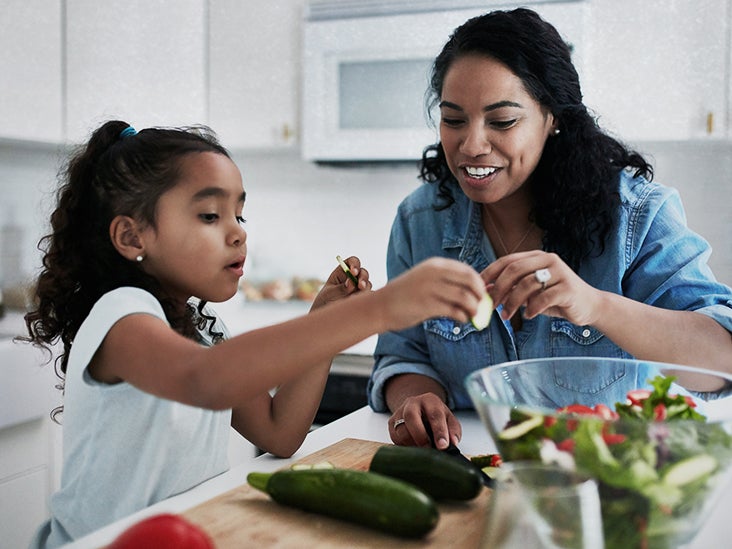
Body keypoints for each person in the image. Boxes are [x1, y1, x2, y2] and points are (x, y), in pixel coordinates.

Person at [23, 120, 489, 547]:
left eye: (239, 216)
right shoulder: (122, 314)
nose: (238, 234)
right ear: (131, 237)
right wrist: (380, 308)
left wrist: (320, 322)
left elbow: (278, 432)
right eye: (210, 216)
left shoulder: (202, 328)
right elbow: (203, 380)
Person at [367, 8, 732, 451]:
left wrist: (596, 305)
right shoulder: (418, 221)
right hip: (470, 476)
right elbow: (403, 354)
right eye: (454, 119)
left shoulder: (637, 215)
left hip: (606, 481)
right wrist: (417, 396)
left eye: (502, 121)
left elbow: (722, 357)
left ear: (553, 118)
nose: (472, 145)